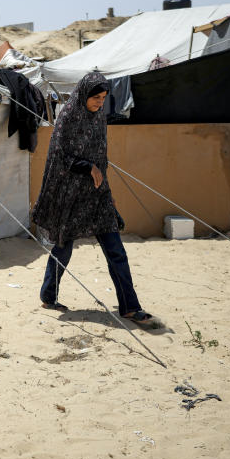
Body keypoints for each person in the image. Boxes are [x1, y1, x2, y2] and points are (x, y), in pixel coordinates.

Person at [31, 71, 153, 323]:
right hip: (71, 194)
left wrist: (107, 192)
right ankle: (48, 295)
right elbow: (59, 156)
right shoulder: (68, 116)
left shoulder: (99, 118)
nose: (100, 102)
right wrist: (87, 166)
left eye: (104, 97)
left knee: (115, 250)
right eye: (95, 97)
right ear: (84, 93)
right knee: (63, 248)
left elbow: (101, 157)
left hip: (97, 195)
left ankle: (130, 306)